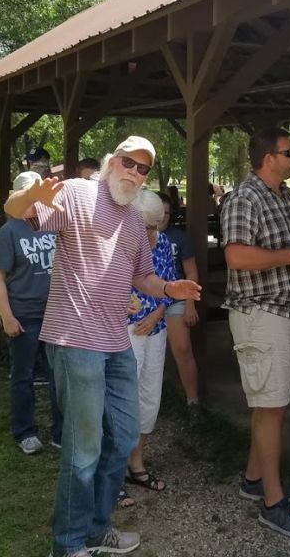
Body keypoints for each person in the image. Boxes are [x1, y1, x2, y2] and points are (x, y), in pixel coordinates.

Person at [4, 135, 201, 557]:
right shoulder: (77, 193)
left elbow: (142, 278)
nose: (134, 172)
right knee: (84, 446)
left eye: (143, 168)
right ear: (113, 162)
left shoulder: (133, 220)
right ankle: (69, 544)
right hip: (74, 338)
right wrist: (29, 194)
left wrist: (169, 286)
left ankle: (97, 529)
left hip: (115, 341)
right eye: (128, 162)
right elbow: (17, 212)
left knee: (125, 435)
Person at [221, 126, 290, 538]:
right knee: (271, 409)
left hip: (289, 313)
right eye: (289, 153)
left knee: (274, 405)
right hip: (260, 314)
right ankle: (273, 501)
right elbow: (235, 256)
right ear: (268, 158)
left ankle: (253, 480)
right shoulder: (244, 198)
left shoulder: (286, 196)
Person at [0, 171, 62, 455]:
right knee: (23, 375)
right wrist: (7, 316)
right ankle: (24, 431)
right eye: (28, 194)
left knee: (59, 376)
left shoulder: (54, 224)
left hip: (56, 314)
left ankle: (60, 431)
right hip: (24, 315)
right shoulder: (10, 231)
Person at [120, 190, 176, 506]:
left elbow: (169, 283)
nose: (151, 235)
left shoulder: (164, 242)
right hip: (125, 331)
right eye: (145, 228)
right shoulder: (118, 243)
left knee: (148, 399)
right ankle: (112, 477)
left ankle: (136, 465)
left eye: (155, 227)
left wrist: (158, 310)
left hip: (155, 329)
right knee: (121, 400)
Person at [157, 192, 200, 410]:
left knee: (183, 349)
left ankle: (193, 402)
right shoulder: (137, 235)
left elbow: (191, 272)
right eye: (159, 213)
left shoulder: (179, 237)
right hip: (147, 301)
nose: (163, 217)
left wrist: (190, 304)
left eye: (167, 213)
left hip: (176, 300)